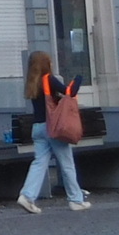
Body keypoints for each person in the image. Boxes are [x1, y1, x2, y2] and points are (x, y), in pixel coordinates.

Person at [19, 51, 90, 212]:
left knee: (39, 163)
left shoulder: (32, 82)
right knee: (67, 164)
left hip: (37, 128)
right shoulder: (48, 79)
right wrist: (79, 77)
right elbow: (70, 92)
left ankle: (27, 196)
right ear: (45, 63)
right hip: (52, 127)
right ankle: (76, 200)